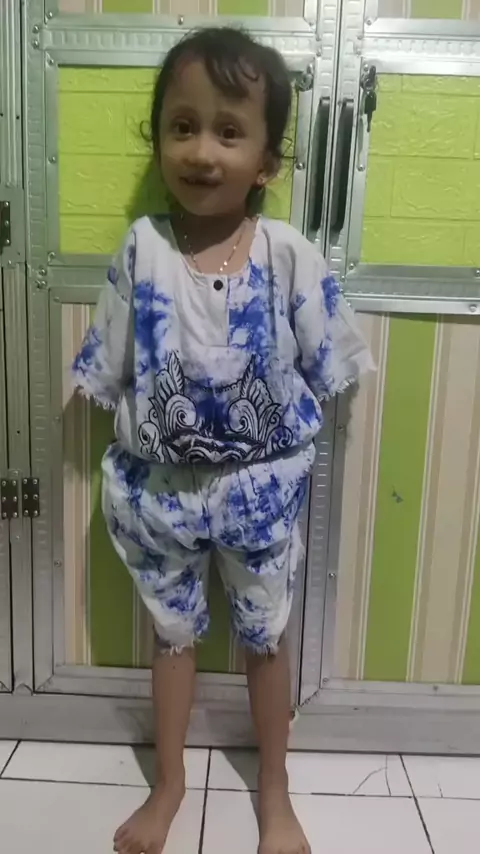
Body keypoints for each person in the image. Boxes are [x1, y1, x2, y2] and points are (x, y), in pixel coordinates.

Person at [72, 25, 373, 854]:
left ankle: (274, 789)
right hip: (160, 492)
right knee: (171, 634)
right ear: (159, 137)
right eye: (183, 126)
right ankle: (169, 783)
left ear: (267, 161)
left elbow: (328, 364)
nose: (202, 151)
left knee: (266, 636)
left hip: (260, 493)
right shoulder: (143, 248)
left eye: (229, 131)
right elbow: (111, 367)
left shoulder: (286, 255)